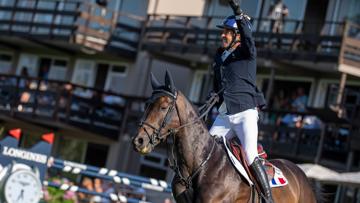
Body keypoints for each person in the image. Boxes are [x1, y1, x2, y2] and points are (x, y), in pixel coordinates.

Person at [208, 2, 273, 202]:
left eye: (227, 32)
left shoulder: (247, 53)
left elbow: (249, 39)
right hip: (225, 115)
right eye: (224, 32)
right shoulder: (220, 56)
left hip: (245, 113)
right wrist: (213, 97)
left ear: (237, 36)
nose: (223, 35)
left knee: (251, 155)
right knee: (206, 150)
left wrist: (238, 14)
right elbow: (219, 85)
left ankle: (267, 199)